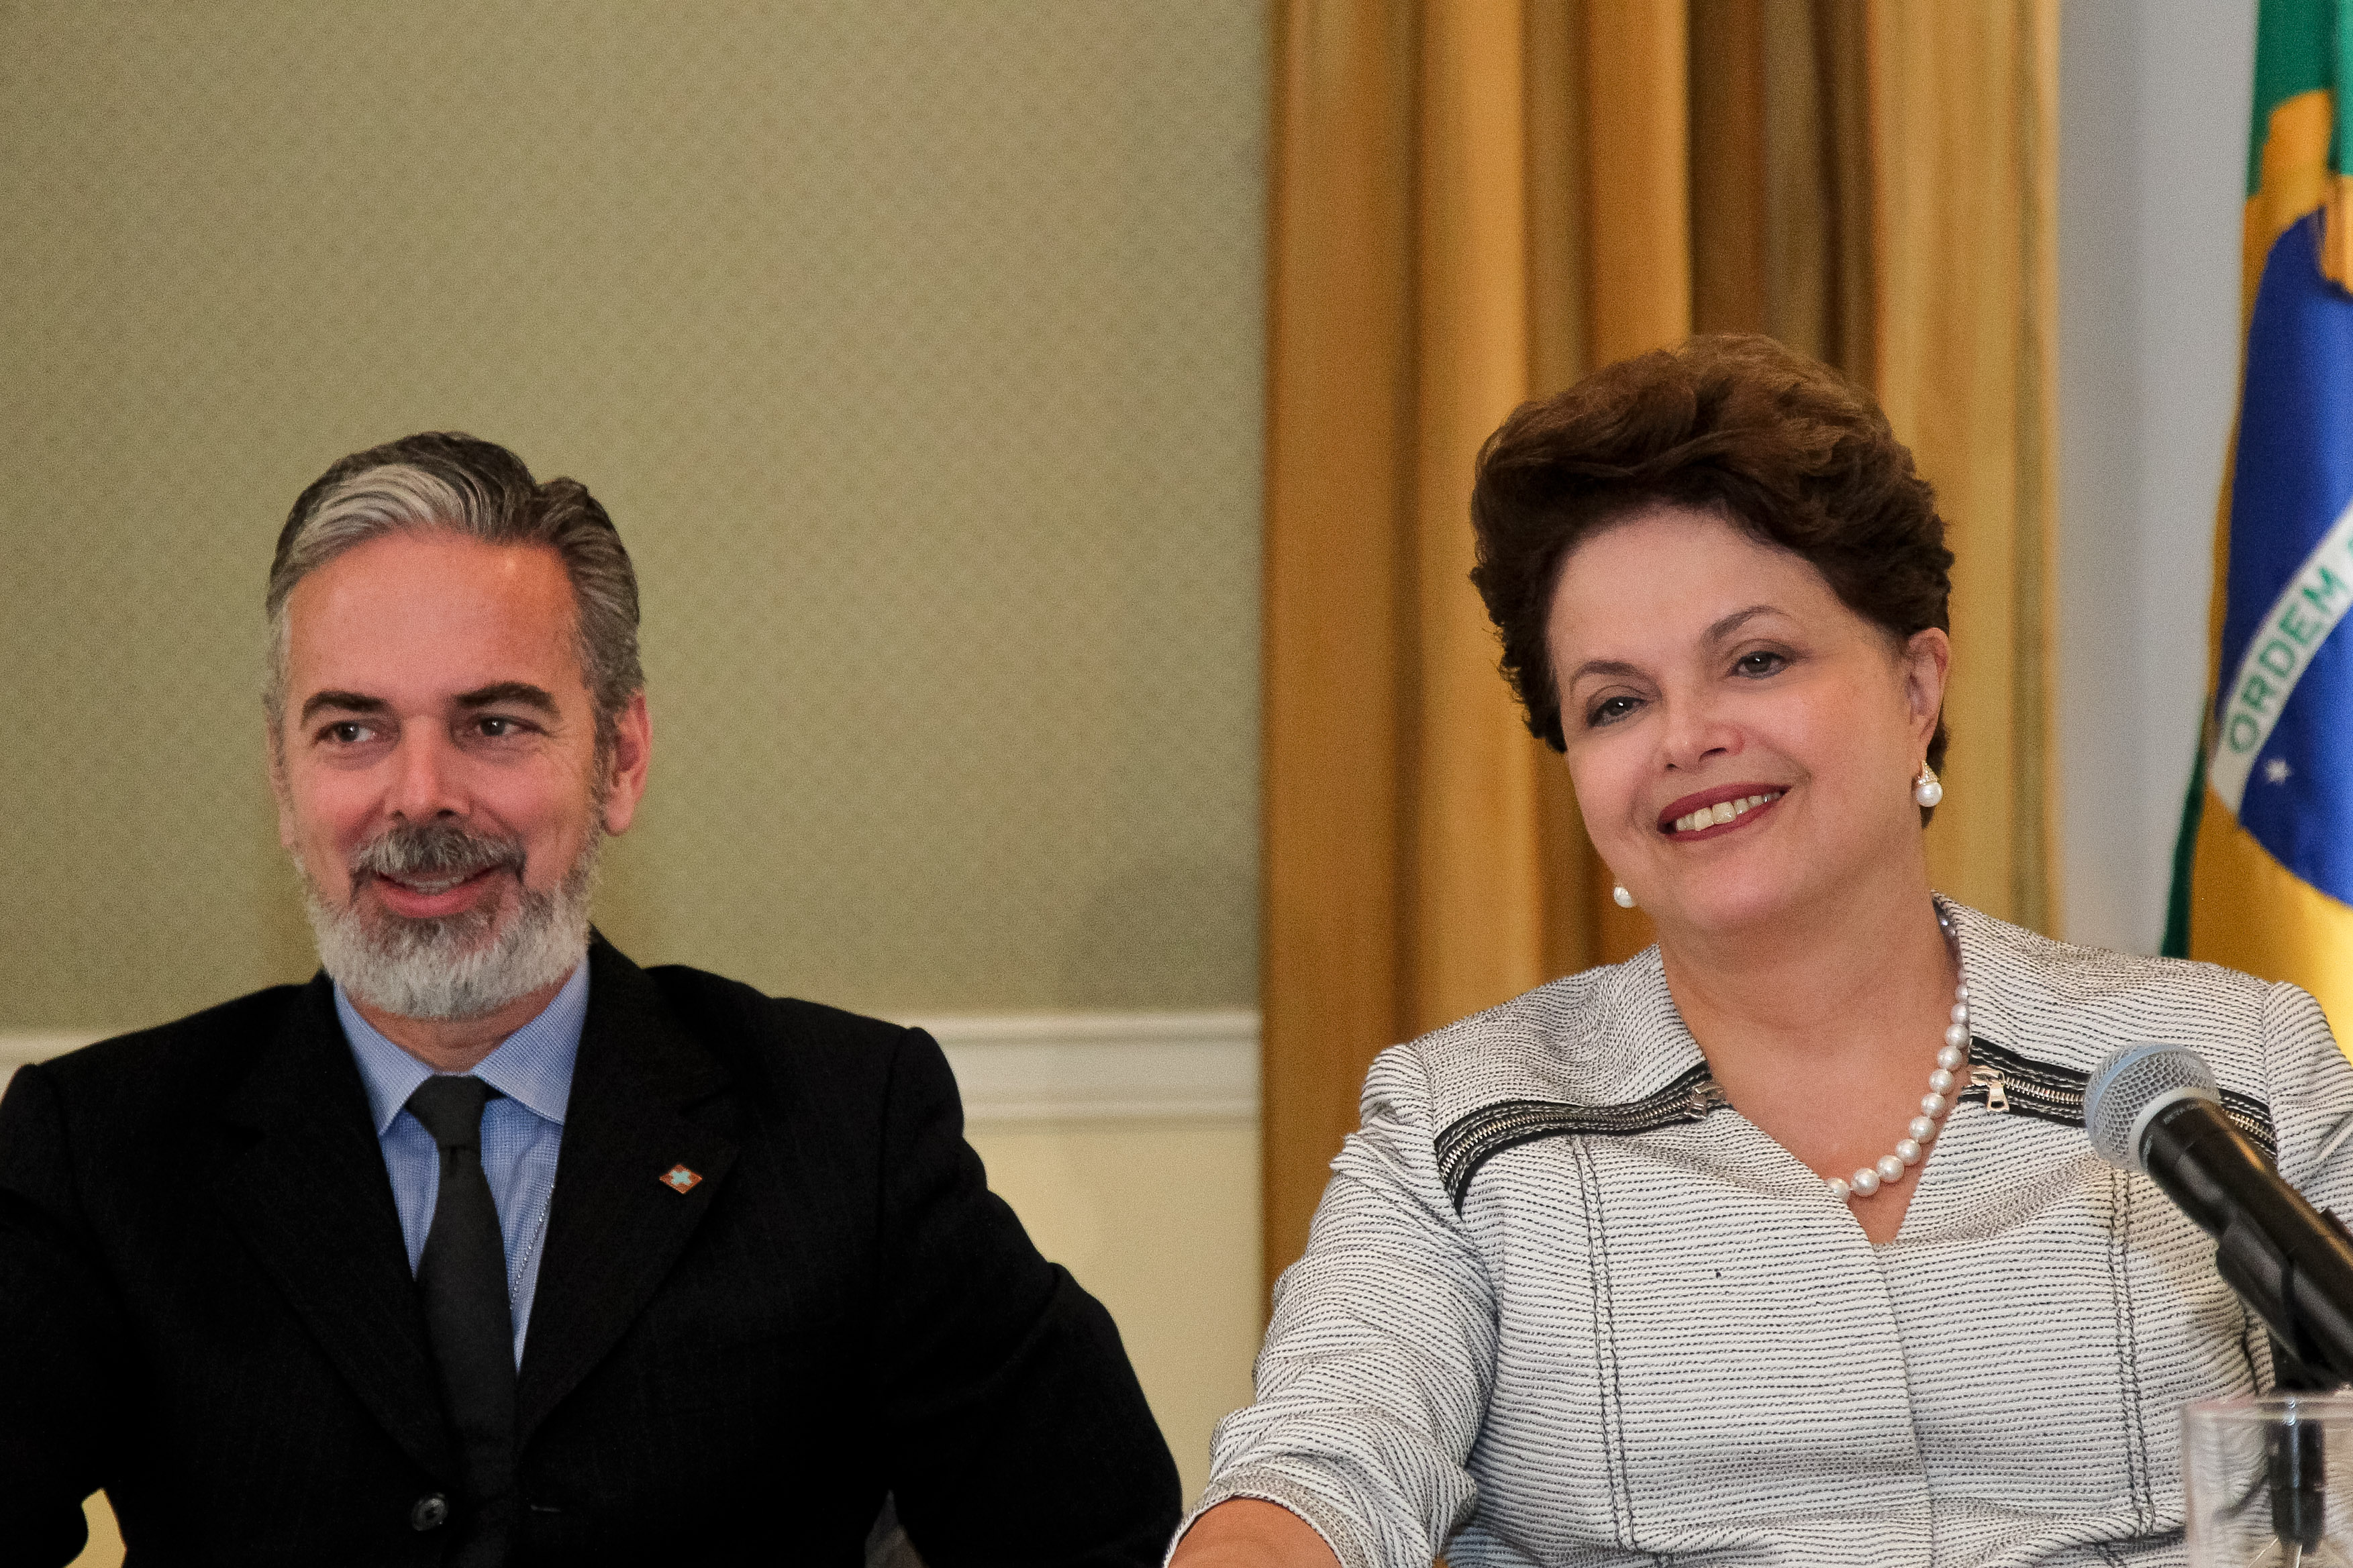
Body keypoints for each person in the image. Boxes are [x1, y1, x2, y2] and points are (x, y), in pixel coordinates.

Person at [1171, 335, 2353, 1567]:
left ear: (1915, 686)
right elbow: (1313, 1473)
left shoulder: (2230, 1071)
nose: (1686, 737)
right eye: (1615, 703)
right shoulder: (1462, 1126)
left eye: (1755, 660)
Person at [0, 433, 1181, 1566]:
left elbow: (1092, 1533)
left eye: (494, 723)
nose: (420, 797)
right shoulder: (100, 1151)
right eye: (352, 728)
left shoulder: (847, 1128)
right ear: (281, 777)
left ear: (618, 758)